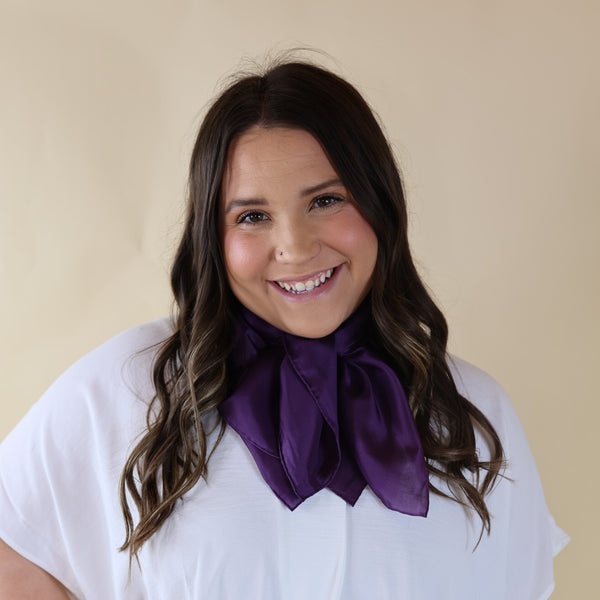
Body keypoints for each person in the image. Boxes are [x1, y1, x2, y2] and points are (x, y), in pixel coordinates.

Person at [0, 59, 568, 599]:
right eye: (252, 216)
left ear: (379, 203)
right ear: (212, 238)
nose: (295, 247)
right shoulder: (126, 388)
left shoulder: (474, 411)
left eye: (326, 200)